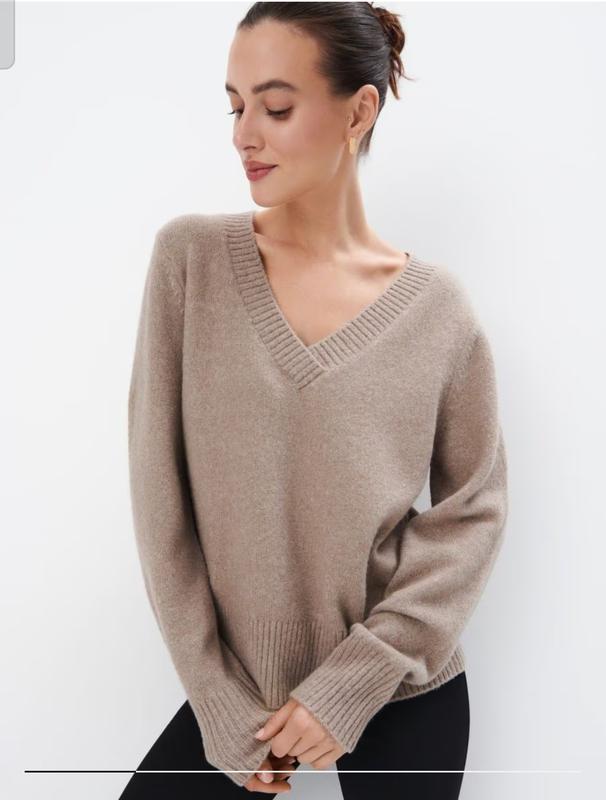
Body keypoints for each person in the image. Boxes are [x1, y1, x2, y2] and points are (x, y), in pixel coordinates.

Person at [123, 2, 508, 798]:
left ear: (358, 112)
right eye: (235, 107)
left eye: (275, 108)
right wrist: (215, 699)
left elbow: (473, 511)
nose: (244, 135)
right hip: (237, 697)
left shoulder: (439, 311)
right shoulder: (190, 262)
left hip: (400, 690)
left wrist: (354, 681)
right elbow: (160, 500)